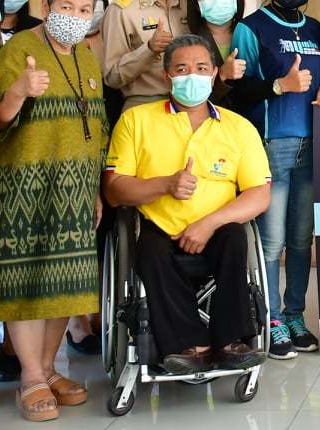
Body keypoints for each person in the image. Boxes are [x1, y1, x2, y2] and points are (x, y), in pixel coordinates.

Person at [0, 0, 110, 422]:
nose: (75, 17)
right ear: (47, 7)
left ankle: (48, 369)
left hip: (74, 189)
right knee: (25, 283)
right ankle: (30, 376)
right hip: (21, 189)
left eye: (84, 10)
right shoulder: (19, 51)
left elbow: (97, 127)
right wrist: (18, 92)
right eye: (66, 7)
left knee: (64, 285)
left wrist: (95, 189)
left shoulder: (86, 56)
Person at [105, 35, 272, 372]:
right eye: (182, 69)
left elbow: (259, 193)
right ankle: (189, 344)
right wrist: (166, 184)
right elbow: (114, 190)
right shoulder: (137, 120)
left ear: (214, 74)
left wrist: (208, 223)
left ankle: (231, 341)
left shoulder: (239, 127)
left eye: (201, 68)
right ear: (167, 76)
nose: (192, 76)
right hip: (158, 225)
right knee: (149, 250)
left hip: (218, 225)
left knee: (236, 239)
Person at [231, 0, 320, 359]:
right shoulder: (251, 28)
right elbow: (238, 92)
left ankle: (295, 315)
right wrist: (279, 86)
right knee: (271, 241)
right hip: (271, 144)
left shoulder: (317, 29)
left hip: (314, 144)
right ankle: (271, 319)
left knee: (301, 240)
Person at [185, 0, 249, 97]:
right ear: (197, 4)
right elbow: (190, 96)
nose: (217, 0)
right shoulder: (188, 43)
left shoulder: (250, 33)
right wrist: (222, 75)